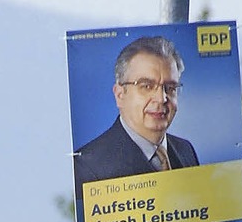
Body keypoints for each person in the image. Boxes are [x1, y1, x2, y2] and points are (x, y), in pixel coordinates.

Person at [74, 36, 199, 182]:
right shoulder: (88, 166)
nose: (161, 98)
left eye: (170, 88)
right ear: (120, 95)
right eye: (147, 86)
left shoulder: (185, 150)